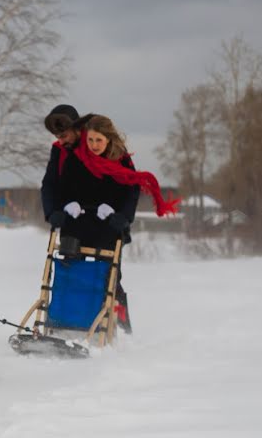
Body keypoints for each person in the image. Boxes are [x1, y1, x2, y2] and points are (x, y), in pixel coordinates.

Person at [52, 114, 180, 333]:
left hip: (109, 225)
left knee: (109, 275)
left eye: (99, 140)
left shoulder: (121, 160)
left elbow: (131, 189)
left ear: (109, 139)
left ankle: (120, 324)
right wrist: (68, 203)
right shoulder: (76, 158)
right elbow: (64, 187)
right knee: (74, 269)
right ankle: (72, 321)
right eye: (90, 140)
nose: (93, 145)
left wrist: (121, 215)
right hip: (79, 224)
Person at [41, 104, 82, 228]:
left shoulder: (97, 144)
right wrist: (51, 212)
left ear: (77, 129)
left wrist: (124, 216)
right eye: (57, 137)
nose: (61, 142)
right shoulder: (58, 149)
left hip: (100, 219)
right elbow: (49, 183)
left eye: (64, 136)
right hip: (69, 218)